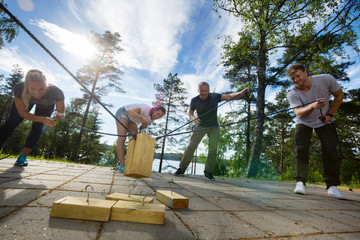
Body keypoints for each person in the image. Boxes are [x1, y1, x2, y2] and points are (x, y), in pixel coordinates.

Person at [286, 63, 346, 199]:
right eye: (292, 79)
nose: (296, 80)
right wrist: (313, 106)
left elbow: (339, 95)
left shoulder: (326, 79)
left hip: (323, 120)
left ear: (306, 72)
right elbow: (299, 113)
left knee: (330, 150)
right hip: (304, 122)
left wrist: (330, 114)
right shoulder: (292, 94)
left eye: (297, 76)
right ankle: (300, 182)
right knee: (301, 150)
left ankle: (332, 186)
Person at [174, 82, 250, 180]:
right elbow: (190, 112)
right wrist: (193, 118)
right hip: (200, 126)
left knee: (213, 150)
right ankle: (181, 169)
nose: (204, 93)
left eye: (206, 91)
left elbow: (229, 96)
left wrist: (241, 93)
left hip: (214, 127)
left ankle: (208, 173)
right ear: (198, 90)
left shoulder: (215, 97)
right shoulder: (194, 100)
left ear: (209, 90)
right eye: (201, 91)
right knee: (191, 147)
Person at [0, 69, 65, 166]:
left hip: (46, 105)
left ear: (46, 85)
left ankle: (23, 156)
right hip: (26, 99)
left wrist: (58, 116)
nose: (37, 93)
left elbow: (61, 113)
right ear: (27, 86)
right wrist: (43, 119)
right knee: (12, 122)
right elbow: (22, 113)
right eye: (33, 89)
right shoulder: (19, 88)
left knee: (38, 127)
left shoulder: (56, 92)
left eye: (41, 89)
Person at [115, 103, 166, 172]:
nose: (157, 117)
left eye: (160, 116)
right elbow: (129, 111)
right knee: (122, 138)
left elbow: (144, 124)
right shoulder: (146, 108)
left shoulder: (152, 119)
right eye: (157, 114)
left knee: (136, 140)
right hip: (123, 112)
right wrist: (142, 118)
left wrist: (143, 125)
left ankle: (131, 164)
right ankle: (122, 165)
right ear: (154, 110)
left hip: (132, 120)